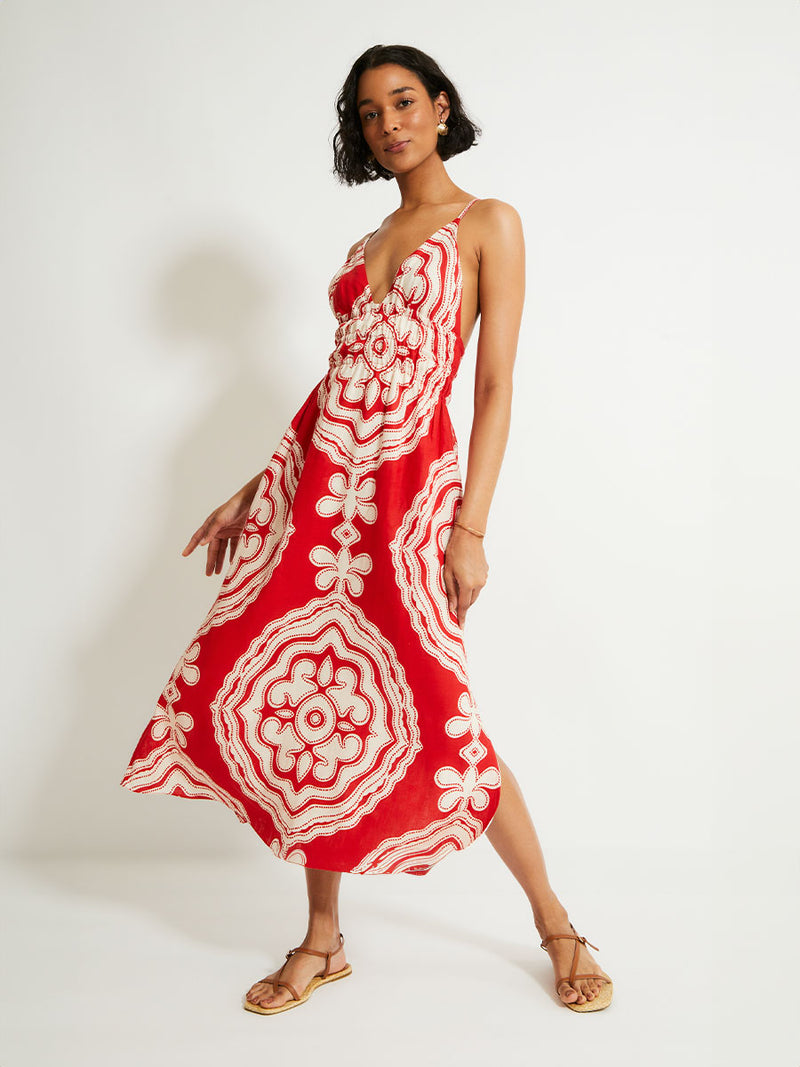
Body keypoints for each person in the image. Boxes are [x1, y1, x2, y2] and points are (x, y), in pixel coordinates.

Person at [120, 43, 613, 1015]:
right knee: (314, 694)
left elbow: (493, 382)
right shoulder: (362, 248)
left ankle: (557, 923)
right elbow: (336, 390)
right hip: (322, 497)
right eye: (368, 112)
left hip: (409, 498)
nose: (387, 123)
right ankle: (321, 936)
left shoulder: (487, 224)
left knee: (439, 708)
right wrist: (255, 488)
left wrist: (470, 524)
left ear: (439, 106)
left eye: (402, 101)